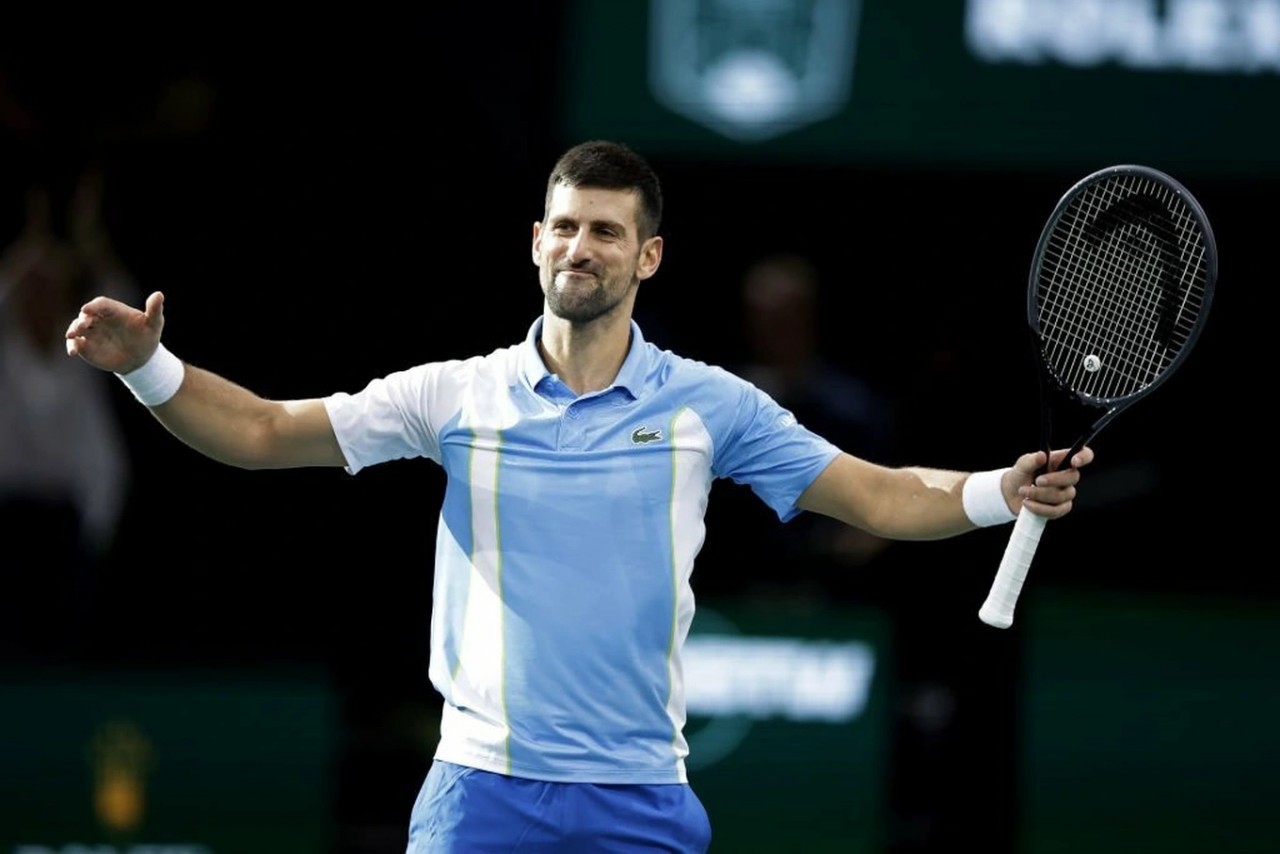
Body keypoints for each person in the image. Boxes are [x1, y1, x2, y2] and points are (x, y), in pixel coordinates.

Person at [64, 139, 1093, 853]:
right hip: (481, 793)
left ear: (645, 256)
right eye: (562, 226)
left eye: (604, 231)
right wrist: (149, 369)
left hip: (641, 796)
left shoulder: (708, 405)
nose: (578, 247)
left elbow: (874, 494)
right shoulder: (455, 394)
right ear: (533, 242)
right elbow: (258, 431)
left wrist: (994, 490)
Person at [1, 165, 136, 660]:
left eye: (49, 288)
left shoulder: (82, 352)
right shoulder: (5, 350)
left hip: (67, 520)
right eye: (30, 289)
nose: (40, 297)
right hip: (9, 518)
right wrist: (30, 245)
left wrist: (88, 240)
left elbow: (124, 307)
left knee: (70, 646)